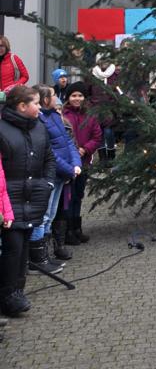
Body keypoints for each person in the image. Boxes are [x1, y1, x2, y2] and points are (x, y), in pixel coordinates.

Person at [0, 86, 55, 316]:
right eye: (36, 103)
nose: (40, 107)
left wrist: (47, 183)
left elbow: (49, 157)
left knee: (23, 248)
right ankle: (7, 295)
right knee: (12, 249)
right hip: (9, 200)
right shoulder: (2, 129)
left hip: (34, 197)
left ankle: (17, 292)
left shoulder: (39, 127)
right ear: (22, 106)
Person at [29, 86, 80, 272]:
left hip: (62, 175)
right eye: (52, 95)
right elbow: (49, 152)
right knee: (42, 217)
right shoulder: (39, 121)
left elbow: (68, 142)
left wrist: (76, 164)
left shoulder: (55, 117)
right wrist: (69, 169)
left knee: (50, 216)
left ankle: (45, 256)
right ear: (45, 100)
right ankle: (37, 261)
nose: (56, 98)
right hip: (51, 174)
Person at [61, 82, 101, 245]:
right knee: (68, 197)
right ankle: (67, 230)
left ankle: (77, 228)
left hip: (84, 161)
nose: (77, 98)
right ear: (68, 97)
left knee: (78, 195)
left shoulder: (90, 115)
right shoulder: (63, 115)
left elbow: (97, 136)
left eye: (80, 96)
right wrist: (72, 151)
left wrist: (85, 149)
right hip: (68, 162)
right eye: (73, 96)